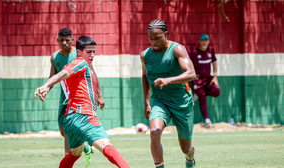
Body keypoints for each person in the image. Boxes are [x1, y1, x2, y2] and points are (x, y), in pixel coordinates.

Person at [34, 36, 130, 168]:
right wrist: (46, 85)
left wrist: (99, 95)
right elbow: (63, 73)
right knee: (107, 146)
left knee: (75, 153)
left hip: (70, 120)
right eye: (88, 51)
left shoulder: (83, 66)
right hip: (84, 116)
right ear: (79, 52)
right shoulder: (80, 62)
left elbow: (65, 73)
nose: (92, 55)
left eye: (94, 52)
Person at [140, 19, 196, 168]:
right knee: (154, 132)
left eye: (157, 38)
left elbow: (191, 74)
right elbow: (145, 78)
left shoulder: (177, 49)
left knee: (186, 149)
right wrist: (146, 103)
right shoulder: (145, 56)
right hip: (160, 101)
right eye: (150, 38)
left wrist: (168, 80)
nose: (153, 42)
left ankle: (190, 159)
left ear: (166, 34)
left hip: (181, 102)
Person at [48, 28, 104, 166]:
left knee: (69, 132)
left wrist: (100, 95)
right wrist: (45, 88)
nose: (65, 42)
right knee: (63, 131)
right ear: (57, 41)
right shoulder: (54, 57)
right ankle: (86, 149)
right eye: (62, 40)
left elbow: (93, 73)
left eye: (68, 40)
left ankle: (68, 161)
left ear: (72, 40)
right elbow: (52, 77)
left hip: (78, 99)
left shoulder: (78, 54)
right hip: (64, 99)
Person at [188, 34, 220, 124]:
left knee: (217, 92)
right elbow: (187, 62)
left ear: (208, 41)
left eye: (206, 40)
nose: (204, 42)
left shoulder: (211, 50)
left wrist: (215, 77)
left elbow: (214, 63)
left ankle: (199, 93)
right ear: (200, 42)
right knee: (203, 98)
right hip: (198, 80)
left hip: (208, 79)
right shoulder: (194, 52)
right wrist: (192, 74)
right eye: (202, 40)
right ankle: (206, 119)